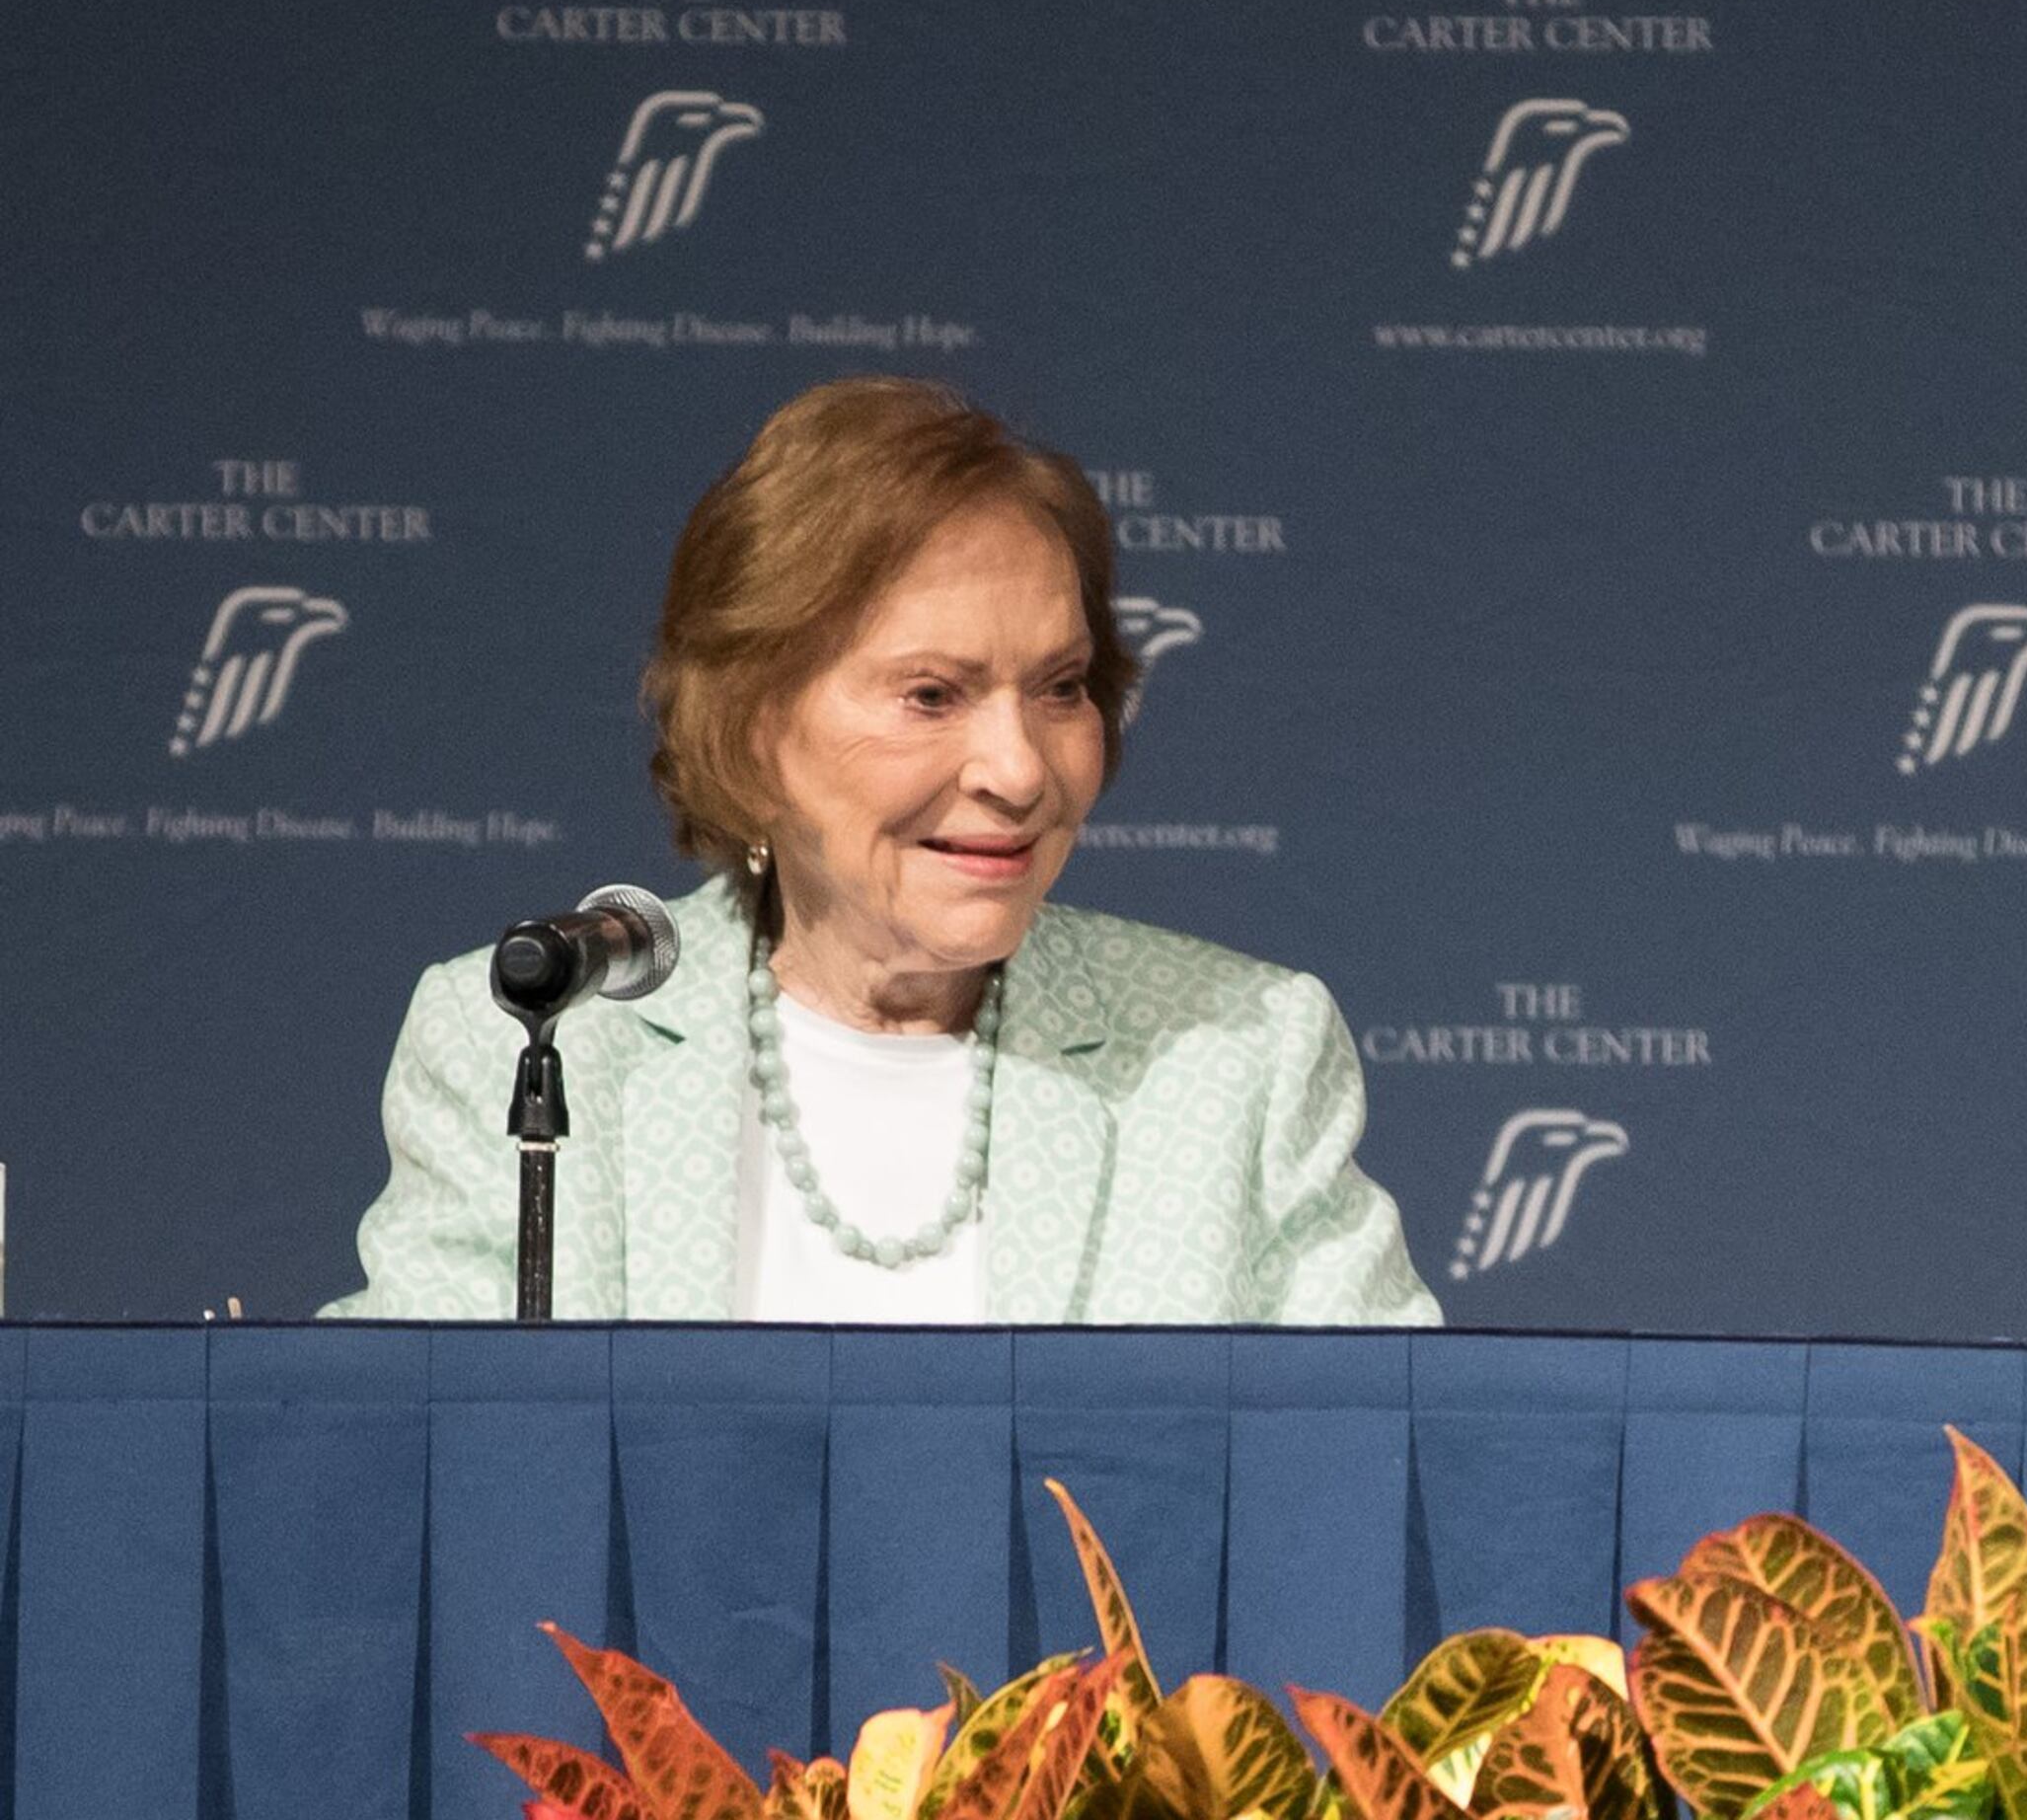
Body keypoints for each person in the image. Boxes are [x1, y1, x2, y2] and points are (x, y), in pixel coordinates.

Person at [327, 378, 1442, 1325]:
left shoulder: (1238, 1059)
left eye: (1060, 689)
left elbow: (1377, 1488)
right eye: (931, 694)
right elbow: (392, 1471)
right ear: (753, 724)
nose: (1017, 770)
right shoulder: (540, 1040)